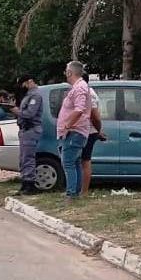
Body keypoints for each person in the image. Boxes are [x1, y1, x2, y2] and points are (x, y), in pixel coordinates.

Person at [56, 61, 93, 201]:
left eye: (66, 71)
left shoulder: (80, 88)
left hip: (74, 131)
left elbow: (79, 109)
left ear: (70, 72)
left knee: (68, 163)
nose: (65, 73)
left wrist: (67, 125)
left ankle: (71, 194)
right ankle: (75, 192)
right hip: (75, 131)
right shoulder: (79, 87)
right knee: (75, 162)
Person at [14, 75, 44, 195]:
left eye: (24, 85)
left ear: (29, 82)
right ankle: (24, 183)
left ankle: (29, 185)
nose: (22, 88)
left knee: (28, 158)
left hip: (31, 129)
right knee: (23, 159)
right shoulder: (28, 95)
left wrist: (17, 111)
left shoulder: (35, 95)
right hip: (25, 130)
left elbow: (30, 113)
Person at [80, 86, 108, 196]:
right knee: (81, 161)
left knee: (85, 161)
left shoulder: (88, 93)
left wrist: (98, 130)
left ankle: (84, 192)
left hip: (88, 131)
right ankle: (79, 190)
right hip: (85, 130)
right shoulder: (86, 92)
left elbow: (95, 116)